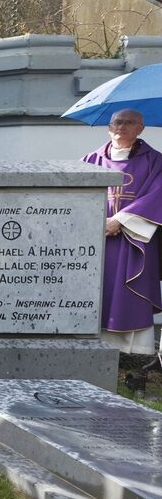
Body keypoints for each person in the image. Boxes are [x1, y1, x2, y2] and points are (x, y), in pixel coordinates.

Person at [82, 109, 162, 355]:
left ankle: (134, 353)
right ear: (109, 126)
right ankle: (90, 344)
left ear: (140, 128)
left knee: (130, 293)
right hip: (98, 239)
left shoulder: (156, 161)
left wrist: (119, 220)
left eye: (129, 123)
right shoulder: (90, 160)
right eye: (117, 122)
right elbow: (78, 197)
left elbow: (158, 195)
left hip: (135, 239)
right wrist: (99, 221)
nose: (121, 127)